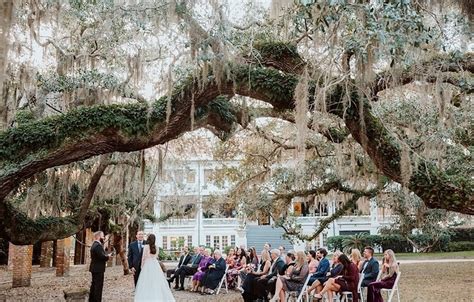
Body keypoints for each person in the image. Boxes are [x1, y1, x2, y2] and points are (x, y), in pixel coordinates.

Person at [134, 234, 175, 301]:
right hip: (155, 264)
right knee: (156, 280)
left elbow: (143, 258)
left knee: (146, 281)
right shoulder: (157, 247)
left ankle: (147, 296)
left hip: (147, 264)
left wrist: (142, 266)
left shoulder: (146, 247)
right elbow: (156, 257)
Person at [89, 231, 111, 302]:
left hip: (94, 268)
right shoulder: (98, 246)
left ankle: (92, 300)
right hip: (98, 269)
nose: (103, 237)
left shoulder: (94, 244)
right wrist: (108, 256)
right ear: (98, 237)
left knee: (94, 285)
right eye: (103, 236)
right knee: (98, 287)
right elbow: (102, 257)